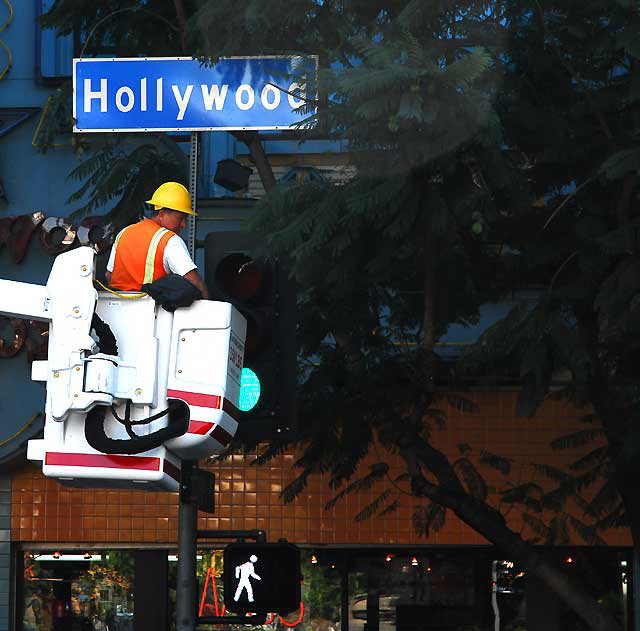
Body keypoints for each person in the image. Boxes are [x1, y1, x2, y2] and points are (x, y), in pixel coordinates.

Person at [105, 182, 208, 298]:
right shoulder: (170, 240)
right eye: (180, 218)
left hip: (115, 310)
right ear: (162, 214)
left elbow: (109, 275)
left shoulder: (124, 233)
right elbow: (194, 282)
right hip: (152, 312)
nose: (184, 224)